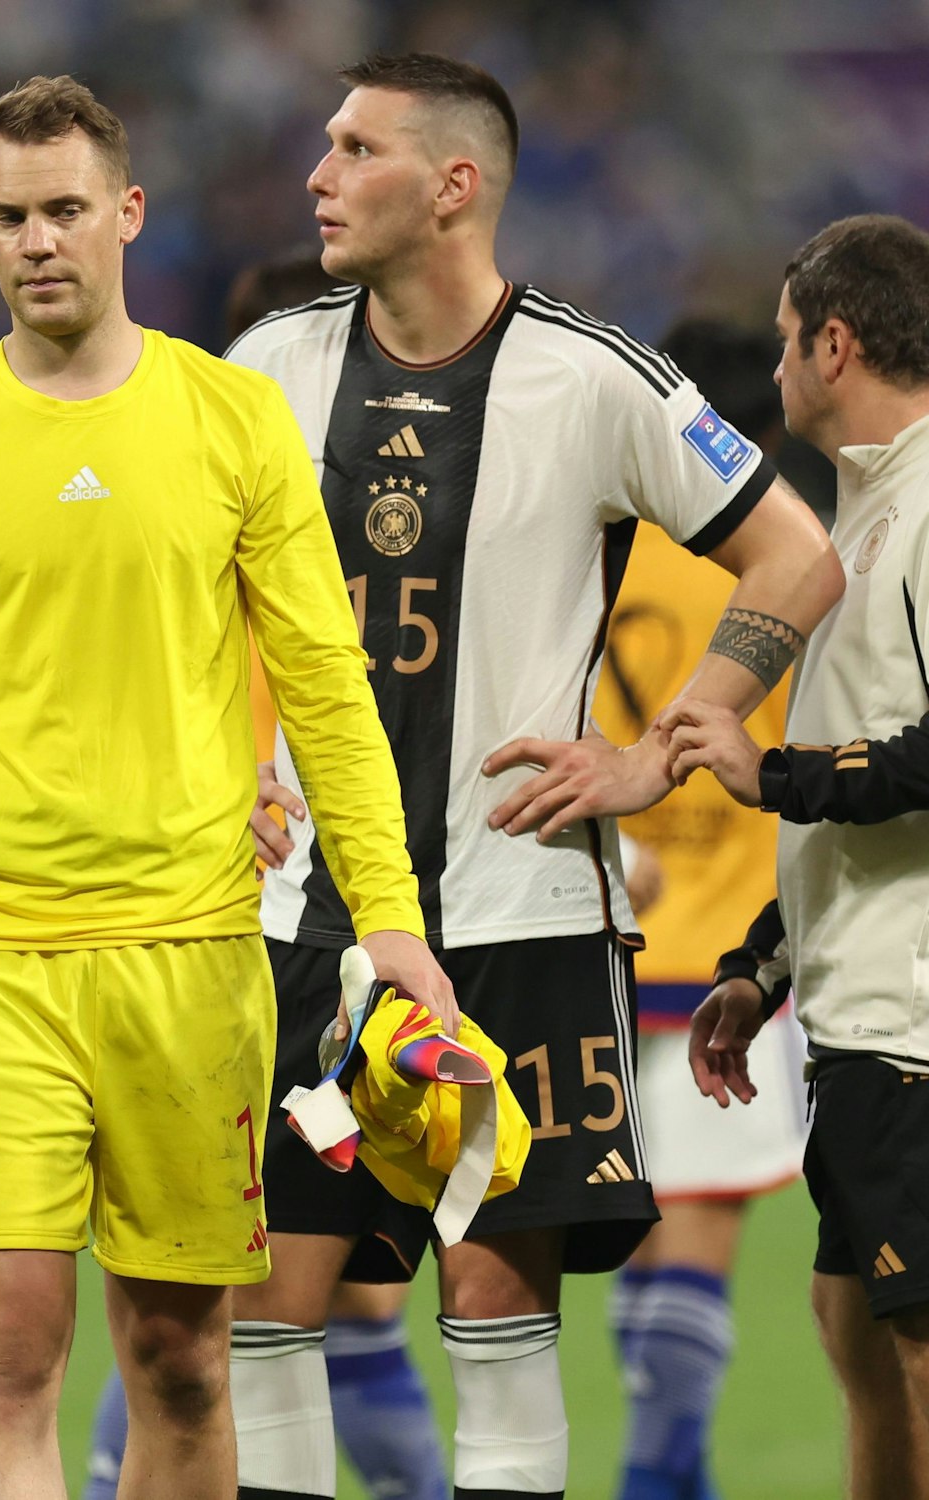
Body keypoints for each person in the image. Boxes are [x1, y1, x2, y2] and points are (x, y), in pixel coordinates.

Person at [222, 54, 842, 1500]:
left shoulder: (594, 375)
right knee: (259, 1323)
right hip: (299, 925)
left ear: (455, 185)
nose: (316, 173)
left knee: (497, 1320)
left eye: (355, 147)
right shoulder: (265, 368)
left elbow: (797, 554)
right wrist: (218, 765)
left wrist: (654, 753)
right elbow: (191, 600)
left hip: (519, 919)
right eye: (322, 143)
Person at [0, 75, 449, 1500]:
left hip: (191, 956)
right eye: (7, 216)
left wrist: (391, 914)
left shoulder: (232, 423)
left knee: (179, 1360)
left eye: (63, 210)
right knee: (5, 1355)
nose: (36, 241)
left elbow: (326, 688)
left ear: (126, 215)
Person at [83, 249, 447, 1500]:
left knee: (252, 1298)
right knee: (217, 1295)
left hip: (329, 922)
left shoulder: (294, 525)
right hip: (208, 931)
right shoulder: (184, 502)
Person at [668, 214, 929, 1500]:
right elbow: (861, 754)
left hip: (918, 1023)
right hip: (855, 1012)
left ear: (835, 344)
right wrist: (761, 971)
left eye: (782, 344)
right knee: (853, 1331)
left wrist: (764, 773)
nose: (770, 371)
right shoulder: (864, 519)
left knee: (913, 1354)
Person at [594, 319, 814, 1500]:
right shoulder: (787, 569)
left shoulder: (599, 550)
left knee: (621, 1258)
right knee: (694, 1256)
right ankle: (656, 1480)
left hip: (599, 954)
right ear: (759, 439)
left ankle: (664, 1477)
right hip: (731, 964)